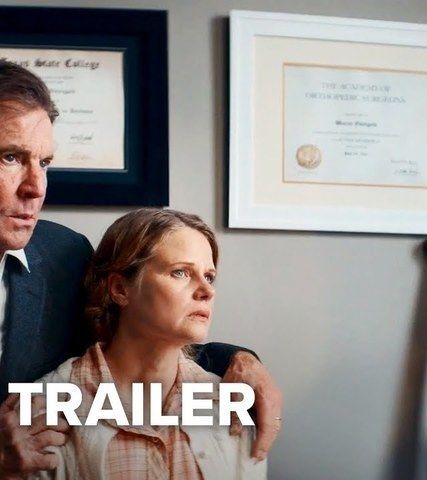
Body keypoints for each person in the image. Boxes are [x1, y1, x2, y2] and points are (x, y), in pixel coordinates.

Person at [0, 60, 281, 478]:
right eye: (10, 157)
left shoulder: (62, 255)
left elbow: (133, 339)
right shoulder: (52, 401)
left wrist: (240, 360)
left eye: (44, 163)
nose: (36, 188)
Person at [29, 208, 266, 479]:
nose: (207, 291)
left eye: (209, 276)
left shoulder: (231, 404)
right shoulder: (43, 409)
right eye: (181, 272)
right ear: (120, 289)